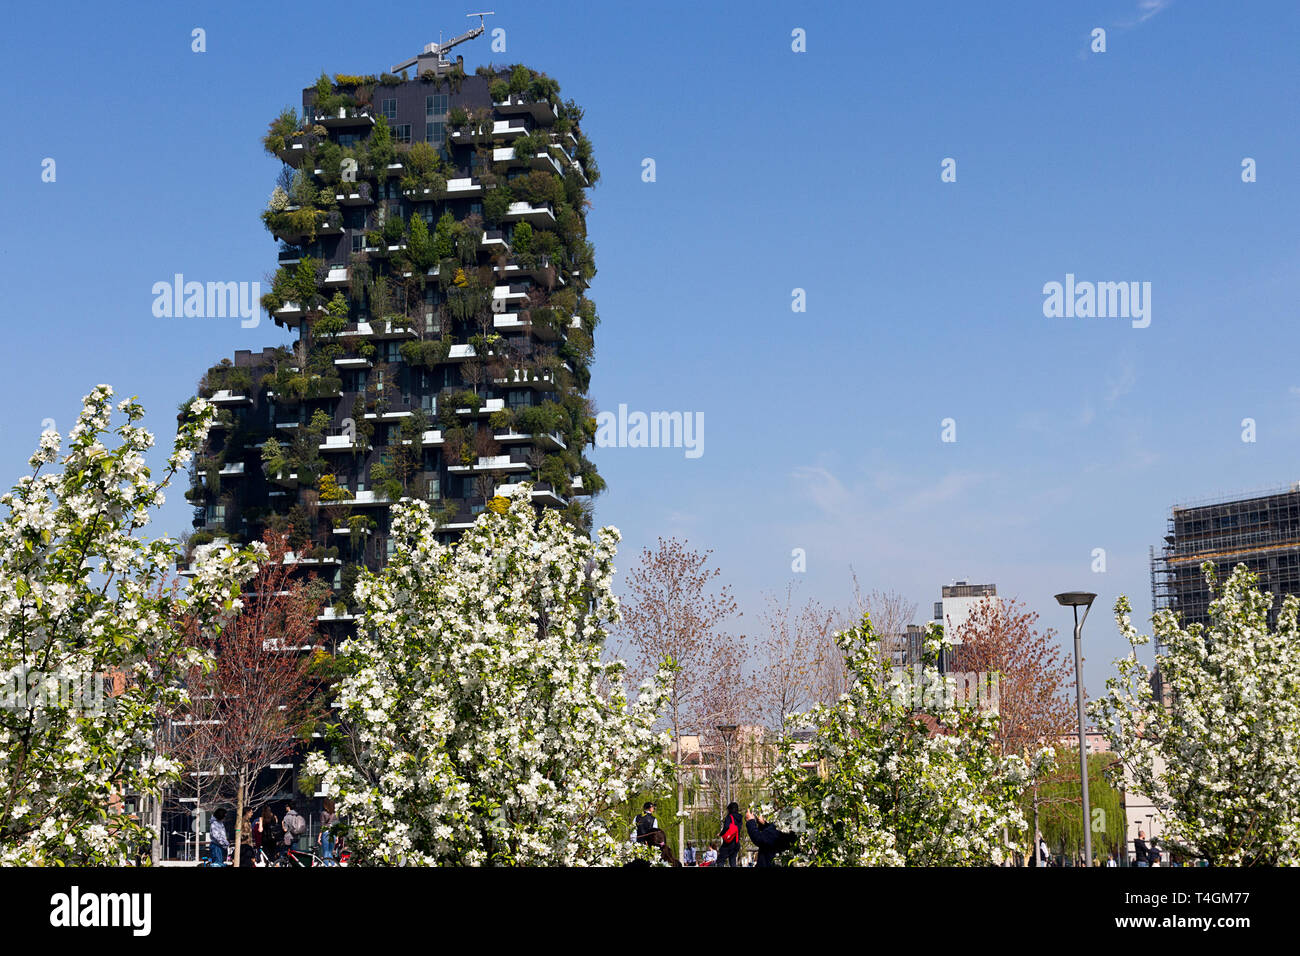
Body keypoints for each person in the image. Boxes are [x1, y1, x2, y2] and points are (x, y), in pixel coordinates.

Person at [715, 802, 743, 867]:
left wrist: (721, 833)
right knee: (733, 862)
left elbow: (726, 827)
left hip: (728, 843)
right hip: (736, 842)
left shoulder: (729, 817)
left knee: (720, 860)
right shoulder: (739, 818)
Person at [319, 798, 337, 865]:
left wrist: (319, 837)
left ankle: (326, 865)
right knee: (330, 852)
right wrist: (337, 836)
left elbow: (322, 826)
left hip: (326, 832)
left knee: (325, 852)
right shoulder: (335, 814)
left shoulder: (323, 813)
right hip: (333, 833)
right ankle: (333, 864)